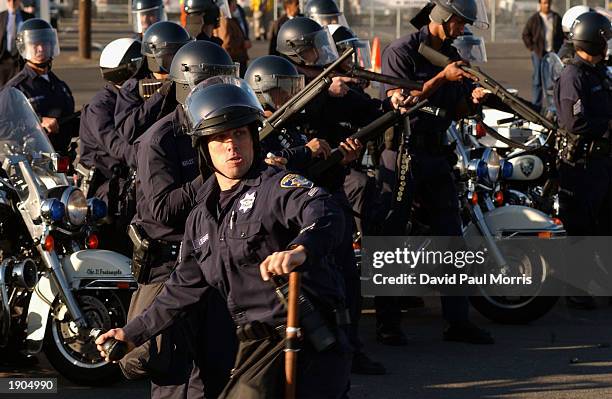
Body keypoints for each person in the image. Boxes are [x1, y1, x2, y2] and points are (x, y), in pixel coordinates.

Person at [96, 77, 352, 399]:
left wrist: (301, 249)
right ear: (204, 148)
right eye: (219, 138)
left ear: (252, 139)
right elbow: (179, 290)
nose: (231, 145)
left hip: (307, 338)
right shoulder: (201, 218)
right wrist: (130, 334)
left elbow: (323, 210)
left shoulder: (275, 186)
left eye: (240, 133)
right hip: (254, 346)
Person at [120, 40, 240, 399]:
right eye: (214, 85)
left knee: (217, 371)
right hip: (169, 269)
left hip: (214, 266)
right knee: (172, 377)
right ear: (191, 89)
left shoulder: (221, 130)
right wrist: (215, 175)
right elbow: (163, 210)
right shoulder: (158, 140)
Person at [378, 0, 495, 346]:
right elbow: (401, 102)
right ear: (444, 18)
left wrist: (473, 99)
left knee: (452, 238)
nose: (464, 29)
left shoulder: (453, 54)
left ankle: (457, 321)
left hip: (435, 153)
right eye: (460, 22)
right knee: (391, 240)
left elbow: (455, 107)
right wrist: (442, 76)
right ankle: (387, 324)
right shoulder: (401, 51)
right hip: (402, 154)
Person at [554, 12, 612, 239]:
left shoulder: (598, 74)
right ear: (593, 41)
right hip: (583, 170)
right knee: (583, 232)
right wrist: (608, 125)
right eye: (604, 39)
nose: (607, 45)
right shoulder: (573, 76)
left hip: (602, 165)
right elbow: (575, 122)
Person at [6, 18, 78, 155]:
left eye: (45, 44)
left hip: (62, 161)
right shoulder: (15, 88)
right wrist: (37, 122)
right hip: (30, 164)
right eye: (35, 44)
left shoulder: (60, 85)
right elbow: (3, 125)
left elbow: (68, 123)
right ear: (24, 47)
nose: (40, 49)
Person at [521, 0, 563, 111]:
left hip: (553, 53)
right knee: (537, 81)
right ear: (540, 4)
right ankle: (536, 107)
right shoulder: (534, 19)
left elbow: (563, 34)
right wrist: (532, 48)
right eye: (544, 3)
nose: (546, 5)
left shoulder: (556, 18)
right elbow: (525, 34)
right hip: (539, 54)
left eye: (548, 3)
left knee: (553, 80)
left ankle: (553, 107)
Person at [0, 0, 33, 86]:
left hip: (22, 62)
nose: (12, 3)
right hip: (4, 62)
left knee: (22, 90)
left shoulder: (29, 17)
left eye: (14, 0)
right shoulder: (1, 17)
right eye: (9, 0)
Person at [214, 0, 250, 76]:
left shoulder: (231, 19)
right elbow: (226, 42)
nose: (235, 6)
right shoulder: (225, 20)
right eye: (234, 4)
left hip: (238, 59)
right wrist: (242, 43)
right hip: (234, 60)